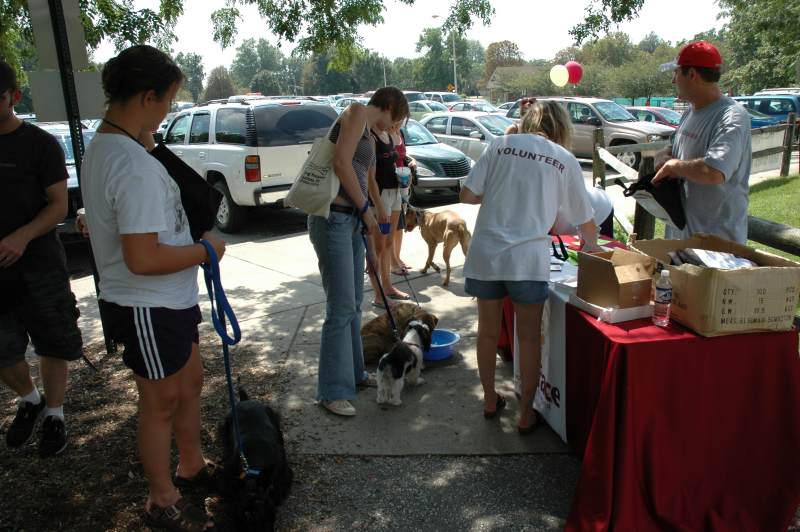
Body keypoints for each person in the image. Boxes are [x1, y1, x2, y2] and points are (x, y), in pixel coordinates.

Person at [81, 45, 225, 531]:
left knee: (188, 386)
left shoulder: (115, 144)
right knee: (160, 402)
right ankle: (161, 502)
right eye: (167, 99)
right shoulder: (133, 164)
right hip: (147, 303)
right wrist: (206, 251)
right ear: (148, 96)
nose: (169, 109)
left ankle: (191, 465)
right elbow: (143, 259)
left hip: (171, 300)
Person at [460, 100, 601, 433]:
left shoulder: (501, 144)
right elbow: (586, 221)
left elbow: (467, 194)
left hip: (487, 256)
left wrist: (498, 190)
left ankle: (490, 400)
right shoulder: (563, 159)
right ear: (561, 128)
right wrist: (594, 253)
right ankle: (526, 413)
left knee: (487, 332)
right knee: (529, 339)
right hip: (527, 261)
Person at [307, 87, 409, 417]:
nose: (396, 128)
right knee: (339, 309)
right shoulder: (354, 113)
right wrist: (366, 209)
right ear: (389, 107)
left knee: (353, 303)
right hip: (334, 219)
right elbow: (340, 163)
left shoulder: (368, 130)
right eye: (398, 120)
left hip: (351, 221)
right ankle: (331, 391)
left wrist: (373, 210)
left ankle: (353, 374)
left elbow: (365, 174)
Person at [0, 59, 83, 458]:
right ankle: (29, 399)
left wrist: (22, 235)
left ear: (14, 97)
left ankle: (54, 414)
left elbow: (58, 206)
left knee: (53, 343)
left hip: (40, 266)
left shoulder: (40, 144)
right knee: (3, 349)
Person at [652, 41, 752, 244]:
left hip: (716, 248)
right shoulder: (690, 112)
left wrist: (675, 166)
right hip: (682, 240)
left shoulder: (731, 116)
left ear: (692, 75)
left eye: (676, 73)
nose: (673, 81)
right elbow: (675, 148)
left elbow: (714, 172)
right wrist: (663, 155)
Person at [371, 121, 410, 302]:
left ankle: (388, 287)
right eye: (398, 116)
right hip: (381, 195)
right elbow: (369, 176)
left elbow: (397, 159)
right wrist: (377, 204)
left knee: (388, 243)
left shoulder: (391, 134)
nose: (399, 121)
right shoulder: (371, 136)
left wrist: (404, 178)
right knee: (376, 247)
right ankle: (378, 295)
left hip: (395, 191)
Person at [388, 122, 416, 276]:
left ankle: (397, 258)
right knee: (392, 225)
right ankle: (392, 262)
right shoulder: (385, 132)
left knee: (400, 225)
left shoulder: (401, 133)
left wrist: (412, 161)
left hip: (403, 182)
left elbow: (403, 155)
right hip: (390, 184)